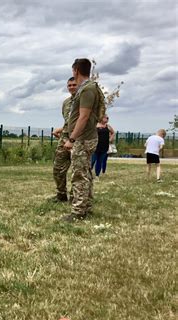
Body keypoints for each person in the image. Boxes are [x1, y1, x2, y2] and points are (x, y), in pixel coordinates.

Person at [63, 58, 105, 221]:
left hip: (82, 139)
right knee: (86, 173)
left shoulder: (87, 89)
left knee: (79, 175)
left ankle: (78, 212)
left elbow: (84, 116)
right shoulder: (87, 88)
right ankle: (86, 205)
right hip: (84, 138)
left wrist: (72, 139)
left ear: (76, 71)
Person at [51, 77, 77, 202]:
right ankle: (61, 194)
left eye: (74, 85)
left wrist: (73, 139)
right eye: (69, 85)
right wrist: (61, 130)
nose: (72, 87)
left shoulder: (84, 101)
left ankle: (76, 197)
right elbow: (69, 122)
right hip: (65, 137)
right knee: (58, 168)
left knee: (78, 170)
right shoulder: (66, 103)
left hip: (79, 139)